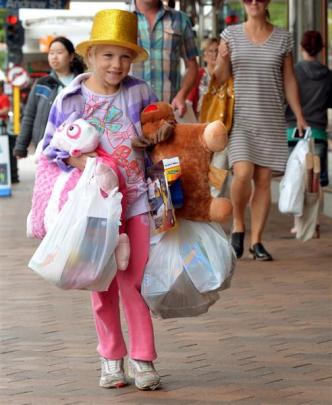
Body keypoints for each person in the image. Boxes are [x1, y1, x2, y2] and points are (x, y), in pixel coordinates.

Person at [40, 9, 160, 391]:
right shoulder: (71, 97)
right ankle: (111, 359)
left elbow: (162, 131)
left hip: (137, 202)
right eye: (107, 55)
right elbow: (50, 148)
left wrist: (156, 136)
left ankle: (143, 360)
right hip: (94, 210)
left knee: (134, 282)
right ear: (90, 57)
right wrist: (79, 159)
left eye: (124, 56)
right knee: (101, 285)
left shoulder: (140, 91)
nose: (117, 64)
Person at [214, 0, 307, 261]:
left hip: (271, 117)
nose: (253, 2)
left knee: (264, 181)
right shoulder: (230, 35)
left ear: (267, 2)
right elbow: (219, 77)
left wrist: (299, 114)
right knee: (242, 172)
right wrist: (221, 60)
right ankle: (238, 226)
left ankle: (256, 241)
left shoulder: (283, 38)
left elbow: (289, 79)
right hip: (240, 117)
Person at [286, 30, 332, 236]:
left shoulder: (293, 73)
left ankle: (299, 224)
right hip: (319, 133)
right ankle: (314, 223)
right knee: (317, 181)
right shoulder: (328, 75)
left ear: (301, 47)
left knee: (298, 178)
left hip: (294, 132)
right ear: (322, 49)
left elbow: (286, 100)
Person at [13, 36, 85, 159]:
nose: (54, 57)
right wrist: (20, 147)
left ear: (71, 56)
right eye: (51, 53)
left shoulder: (82, 83)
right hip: (46, 149)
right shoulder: (42, 83)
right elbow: (29, 116)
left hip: (76, 149)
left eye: (59, 52)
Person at [130, 0, 199, 117]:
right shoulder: (123, 18)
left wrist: (182, 95)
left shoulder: (180, 20)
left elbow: (192, 66)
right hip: (130, 113)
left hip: (168, 111)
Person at [187, 37, 219, 117]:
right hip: (201, 118)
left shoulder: (224, 75)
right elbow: (189, 101)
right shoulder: (198, 74)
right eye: (210, 51)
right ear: (204, 56)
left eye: (216, 51)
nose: (214, 54)